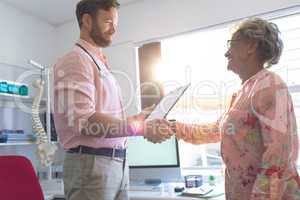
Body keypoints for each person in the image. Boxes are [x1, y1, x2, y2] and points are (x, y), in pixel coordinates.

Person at [52, 0, 173, 199]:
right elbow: (85, 122)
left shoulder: (96, 62)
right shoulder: (76, 59)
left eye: (115, 22)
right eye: (108, 21)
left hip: (116, 164)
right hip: (91, 165)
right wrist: (140, 128)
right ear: (87, 21)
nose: (114, 28)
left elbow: (106, 118)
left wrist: (139, 118)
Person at [174, 18, 300, 200]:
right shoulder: (243, 92)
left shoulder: (271, 85)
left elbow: (277, 159)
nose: (226, 53)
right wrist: (173, 128)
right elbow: (214, 131)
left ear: (251, 46)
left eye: (231, 44)